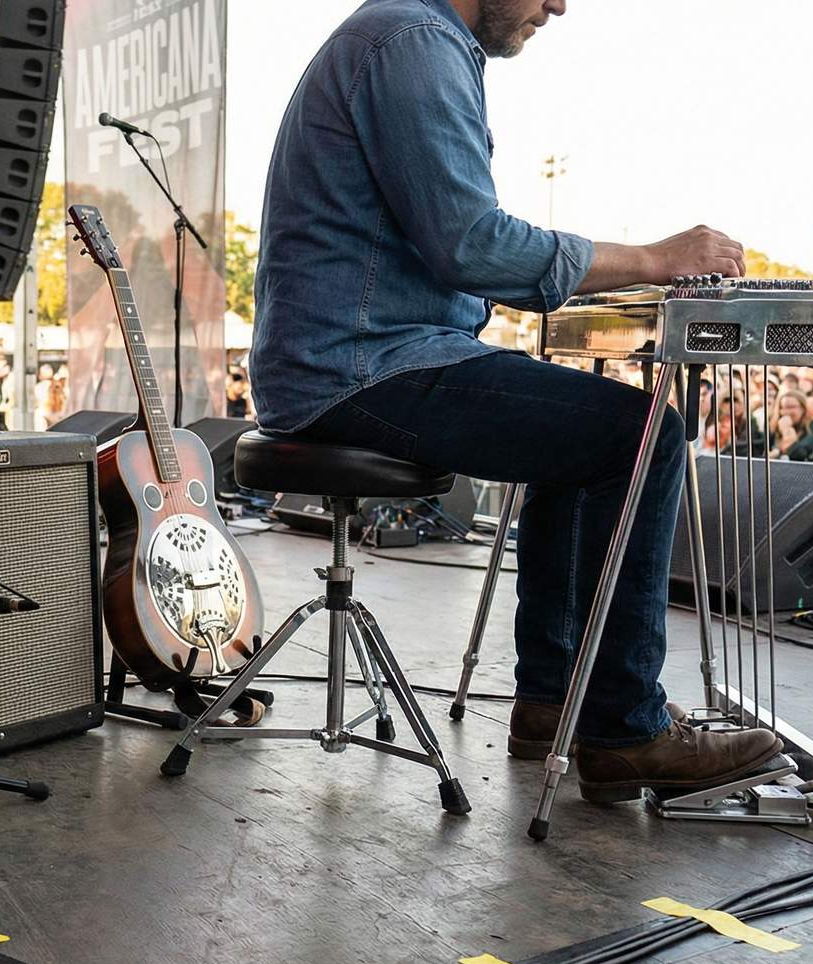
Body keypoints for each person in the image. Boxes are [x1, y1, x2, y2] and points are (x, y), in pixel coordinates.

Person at [252, 0, 782, 803]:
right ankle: (625, 730)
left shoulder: (413, 37)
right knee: (645, 436)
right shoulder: (414, 40)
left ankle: (553, 700)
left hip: (359, 357)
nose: (558, 6)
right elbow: (472, 243)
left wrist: (624, 271)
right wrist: (655, 258)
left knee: (582, 440)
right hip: (357, 366)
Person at [769, 388, 813, 461]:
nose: (785, 412)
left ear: (803, 408)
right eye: (782, 407)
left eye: (791, 407)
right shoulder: (774, 426)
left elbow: (799, 455)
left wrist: (787, 430)